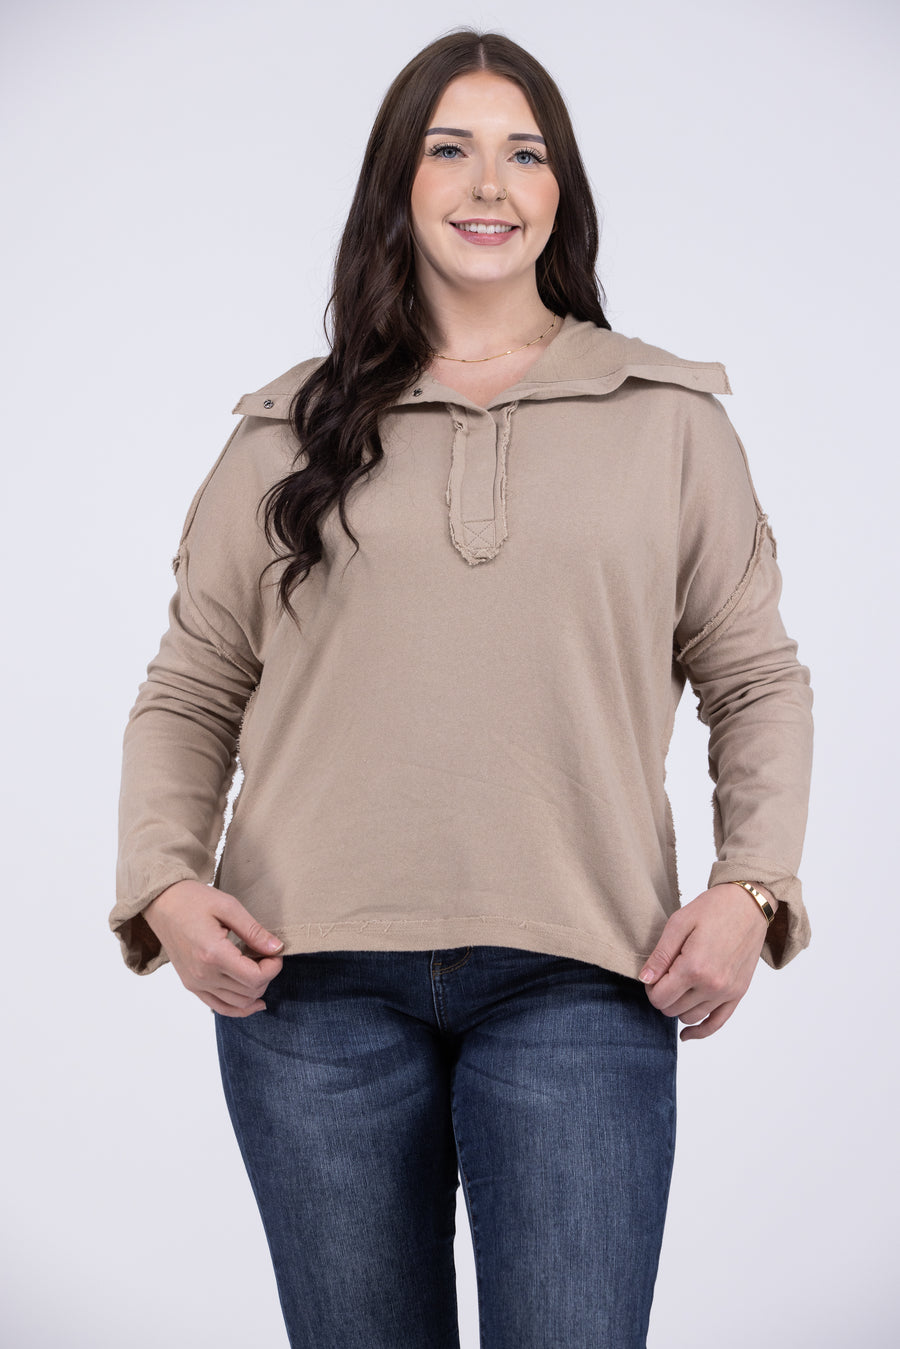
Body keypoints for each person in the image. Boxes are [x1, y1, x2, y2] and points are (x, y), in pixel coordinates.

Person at [110, 28, 813, 1349]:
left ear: (559, 190)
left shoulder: (669, 421)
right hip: (306, 985)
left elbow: (755, 676)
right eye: (451, 148)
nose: (490, 183)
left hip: (585, 976)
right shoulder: (283, 432)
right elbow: (192, 686)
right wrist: (163, 882)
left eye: (524, 153)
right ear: (400, 181)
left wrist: (751, 887)